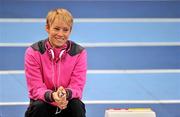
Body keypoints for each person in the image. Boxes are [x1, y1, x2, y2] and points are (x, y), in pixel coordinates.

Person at [24, 8, 87, 117]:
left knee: (77, 106)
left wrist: (65, 94)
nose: (60, 34)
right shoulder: (33, 52)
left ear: (70, 31)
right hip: (44, 102)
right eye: (56, 29)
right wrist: (53, 96)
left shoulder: (79, 53)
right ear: (47, 28)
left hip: (66, 102)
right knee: (39, 106)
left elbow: (77, 86)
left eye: (65, 30)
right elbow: (36, 88)